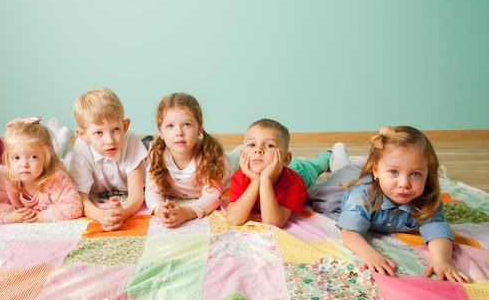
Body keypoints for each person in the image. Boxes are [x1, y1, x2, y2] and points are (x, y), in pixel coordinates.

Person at [332, 125, 470, 283]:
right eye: (394, 172)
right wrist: (370, 254)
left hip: (378, 176)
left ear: (427, 174)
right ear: (376, 171)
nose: (404, 184)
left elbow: (437, 231)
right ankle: (338, 154)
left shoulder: (426, 199)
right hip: (349, 185)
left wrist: (442, 261)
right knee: (340, 172)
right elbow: (349, 232)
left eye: (415, 174)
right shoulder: (363, 195)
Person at [225, 118, 331, 228]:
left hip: (300, 170)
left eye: (269, 145)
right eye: (252, 145)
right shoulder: (239, 177)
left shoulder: (293, 184)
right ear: (242, 154)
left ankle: (328, 155)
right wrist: (256, 181)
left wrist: (265, 179)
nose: (258, 150)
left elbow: (272, 222)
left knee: (318, 165)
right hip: (282, 167)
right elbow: (233, 219)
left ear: (285, 159)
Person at [145, 93, 230, 228]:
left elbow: (213, 197)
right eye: (170, 126)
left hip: (228, 169)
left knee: (236, 160)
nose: (179, 132)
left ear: (200, 127)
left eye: (186, 124)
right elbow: (152, 190)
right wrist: (158, 208)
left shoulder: (210, 156)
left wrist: (186, 212)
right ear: (160, 132)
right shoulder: (156, 154)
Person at [69, 87, 147, 231]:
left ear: (125, 126)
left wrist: (123, 213)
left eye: (116, 129)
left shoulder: (130, 142)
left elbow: (137, 194)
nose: (109, 140)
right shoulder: (81, 148)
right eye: (98, 132)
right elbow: (82, 199)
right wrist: (103, 216)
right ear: (83, 135)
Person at [0, 117, 83, 224]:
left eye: (33, 157)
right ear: (8, 159)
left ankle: (62, 140)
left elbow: (74, 206)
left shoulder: (56, 177)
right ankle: (59, 139)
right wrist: (6, 217)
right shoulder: (6, 179)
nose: (24, 164)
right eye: (16, 158)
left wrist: (39, 216)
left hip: (65, 164)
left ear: (46, 158)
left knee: (69, 157)